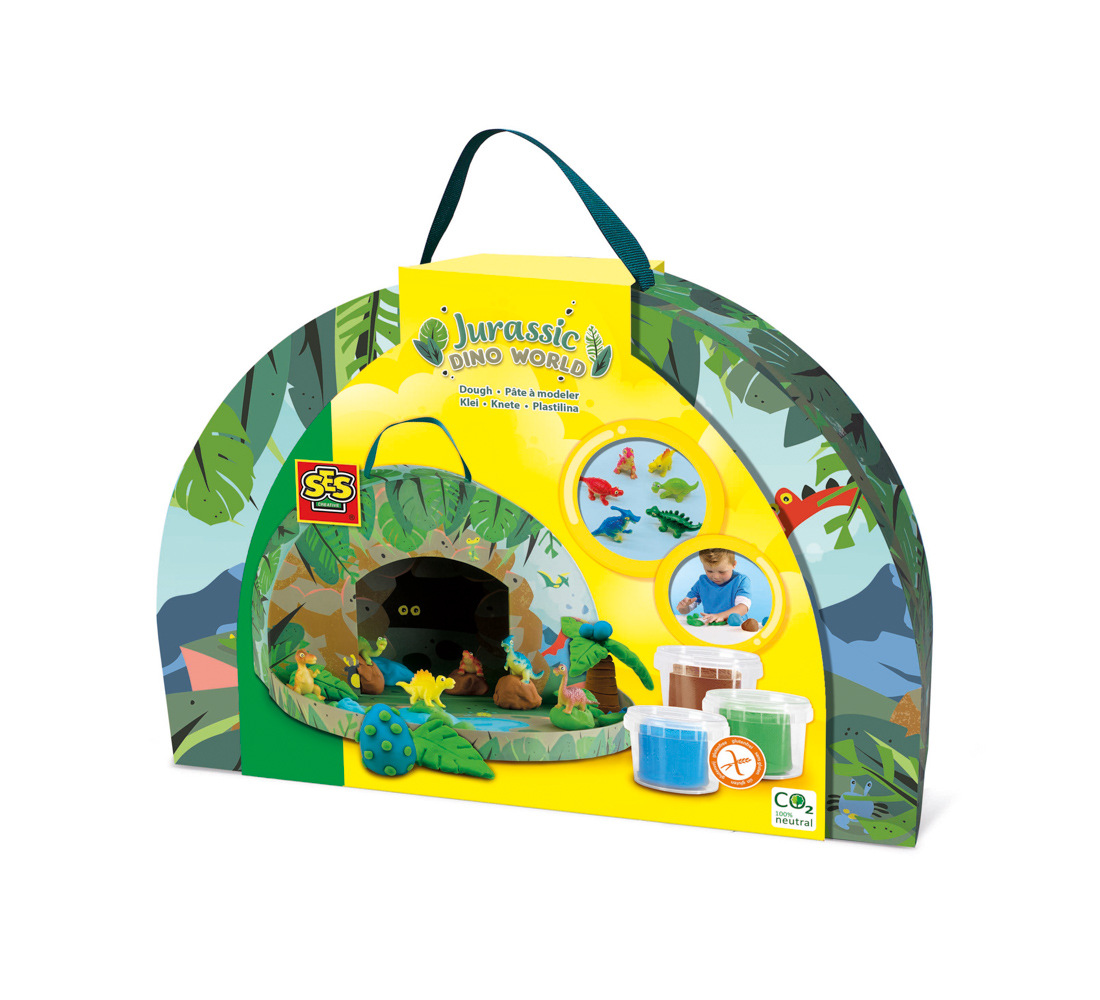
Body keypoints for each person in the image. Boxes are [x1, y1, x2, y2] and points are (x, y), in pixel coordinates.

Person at [676, 548, 752, 625]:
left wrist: (721, 615)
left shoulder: (741, 580)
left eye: (722, 572)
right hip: (712, 626)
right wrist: (683, 607)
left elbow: (743, 607)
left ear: (733, 564)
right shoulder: (702, 582)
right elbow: (686, 610)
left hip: (735, 626)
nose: (716, 577)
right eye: (709, 571)